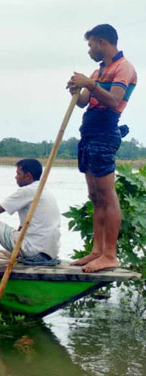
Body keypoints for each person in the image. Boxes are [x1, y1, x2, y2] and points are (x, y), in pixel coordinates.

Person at [67, 24, 137, 273]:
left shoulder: (123, 68)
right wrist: (77, 89)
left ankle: (110, 254)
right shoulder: (99, 71)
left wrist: (91, 84)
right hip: (90, 130)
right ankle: (97, 250)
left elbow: (114, 100)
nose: (89, 50)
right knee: (95, 195)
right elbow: (85, 102)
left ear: (102, 43)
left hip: (107, 130)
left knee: (107, 195)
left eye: (90, 45)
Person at [0, 159, 61, 264]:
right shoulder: (44, 191)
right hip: (50, 252)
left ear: (27, 176)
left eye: (18, 174)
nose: (16, 177)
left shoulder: (28, 190)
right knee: (19, 230)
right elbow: (25, 225)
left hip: (34, 251)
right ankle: (18, 253)